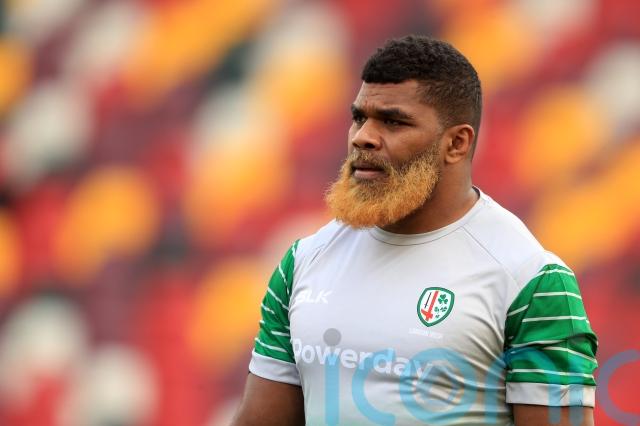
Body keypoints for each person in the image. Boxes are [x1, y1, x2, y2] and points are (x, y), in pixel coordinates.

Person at [231, 35, 598, 425]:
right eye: (359, 117)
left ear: (456, 143)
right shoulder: (304, 261)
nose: (362, 137)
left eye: (393, 122)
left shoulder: (532, 281)